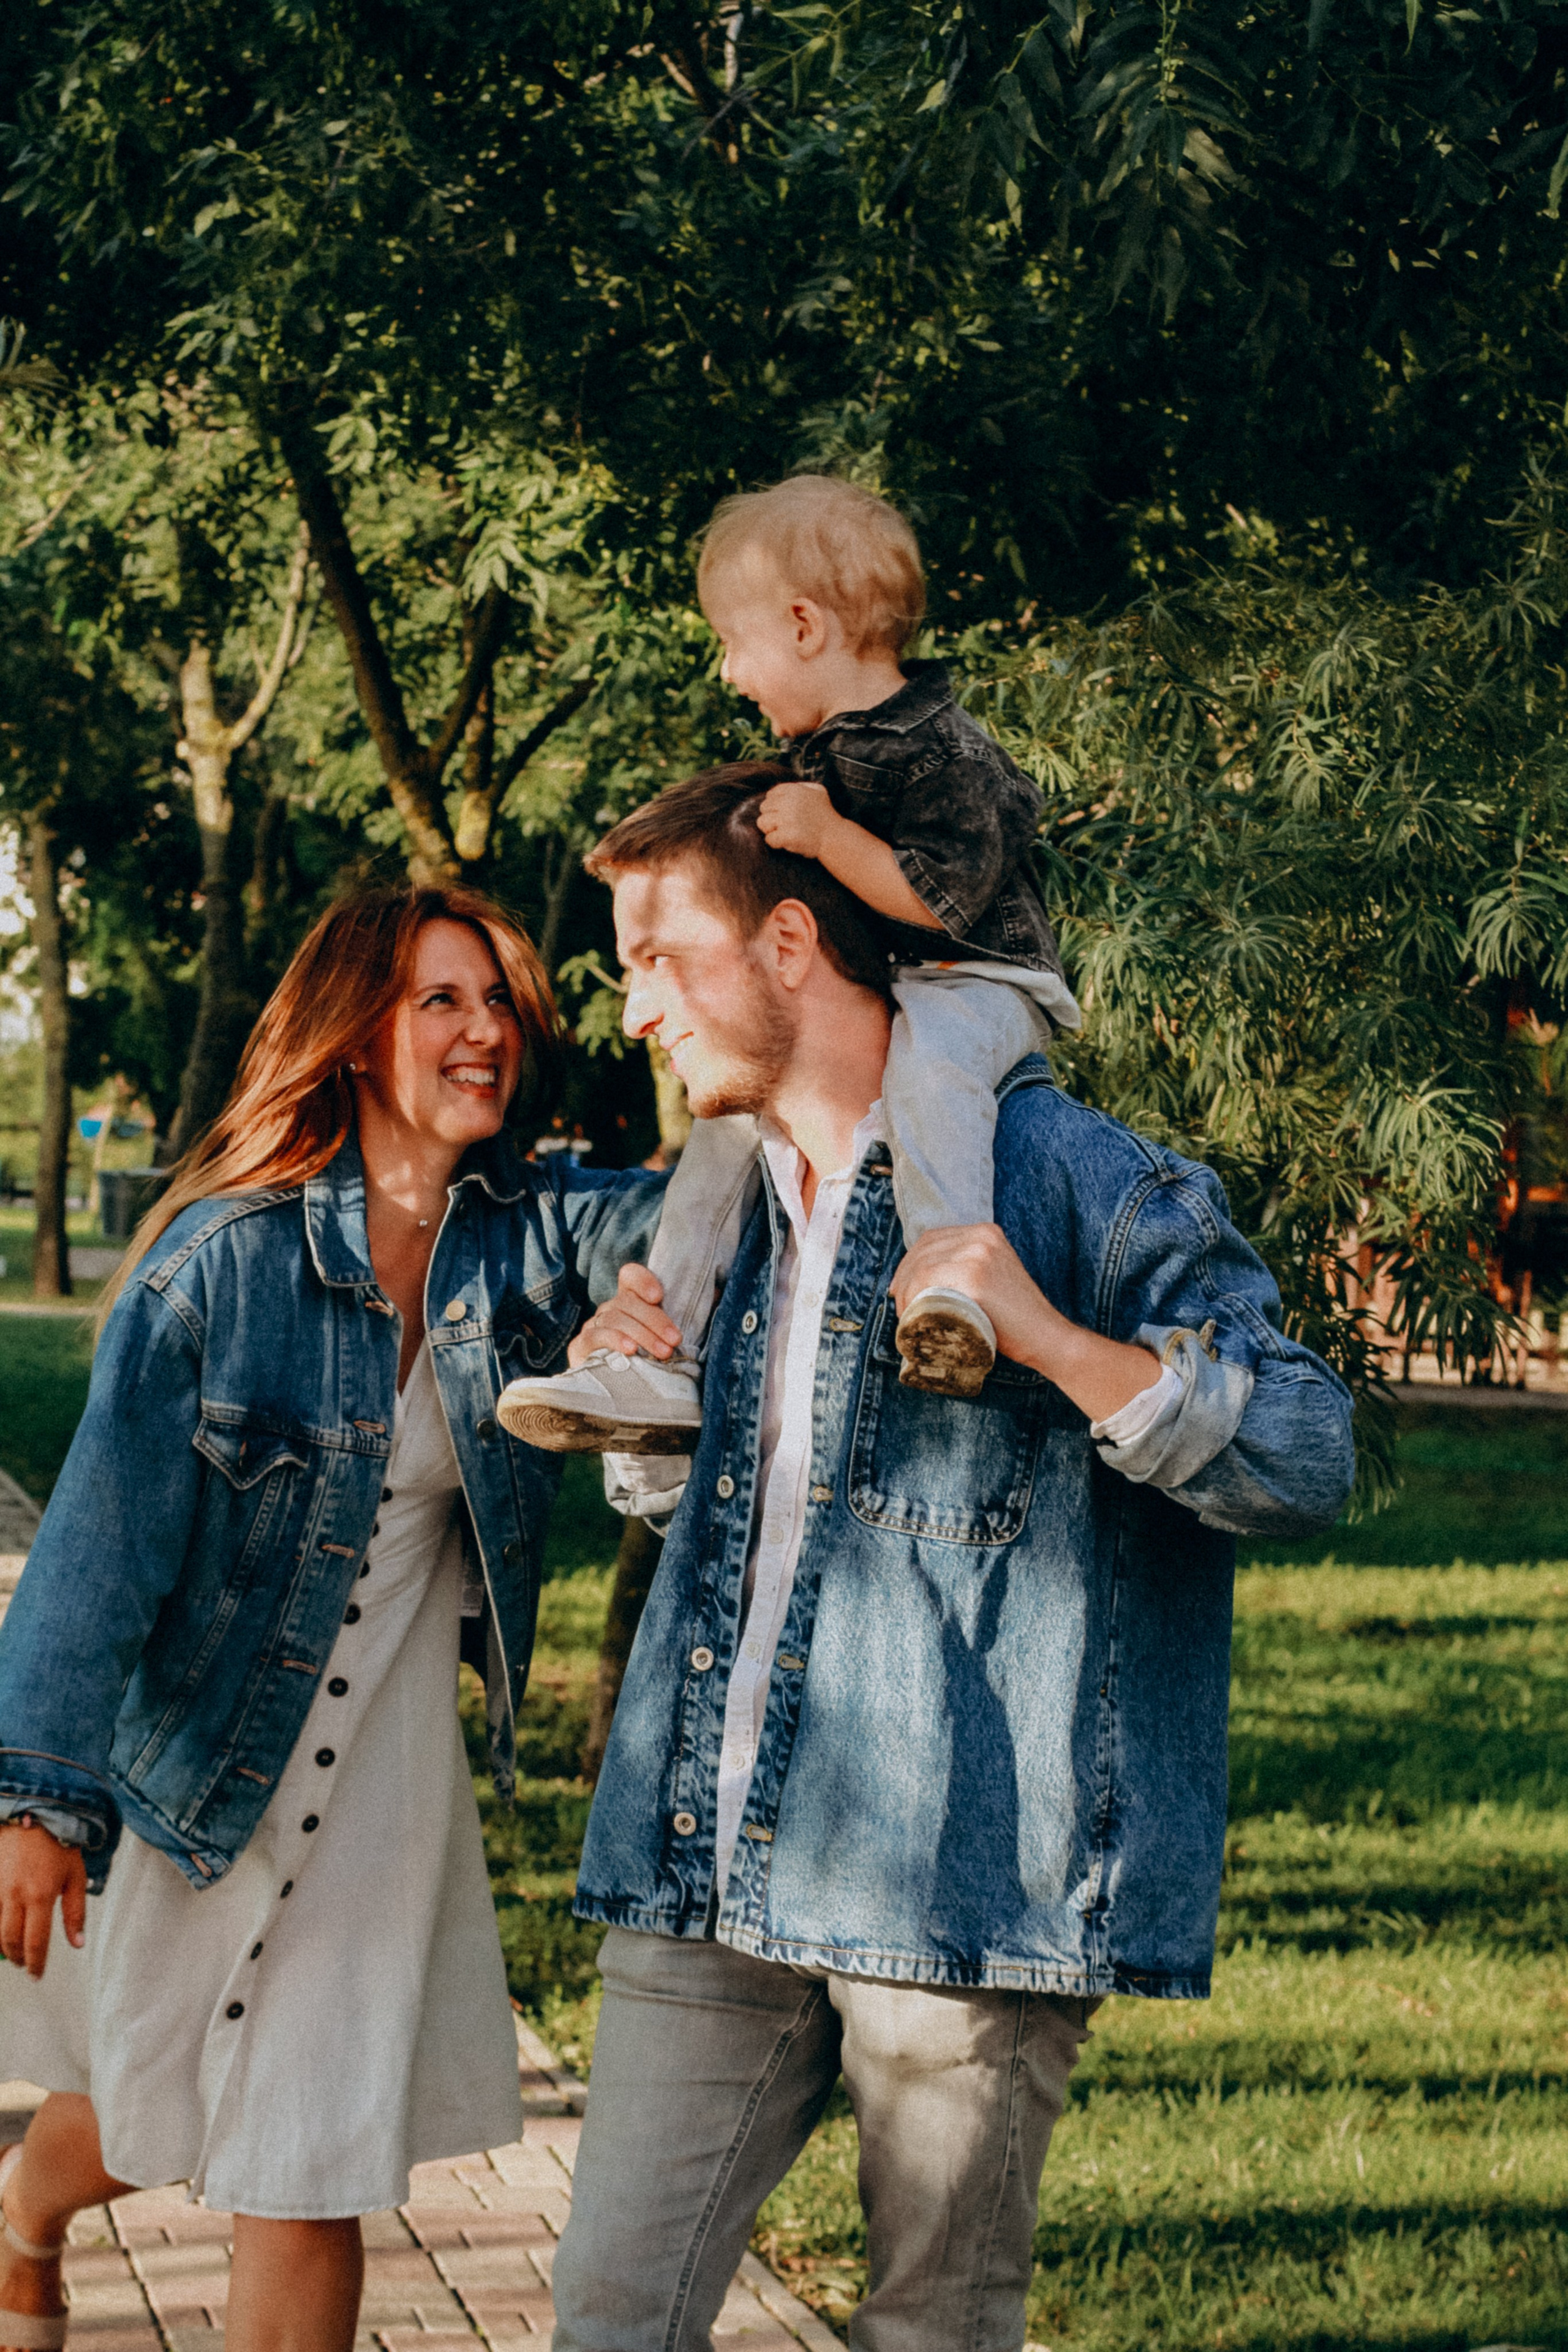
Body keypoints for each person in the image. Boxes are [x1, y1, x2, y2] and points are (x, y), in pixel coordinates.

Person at [538, 767, 1355, 2352]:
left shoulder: (1066, 1182)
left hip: (959, 1886)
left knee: (933, 2327)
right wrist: (648, 1406)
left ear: (790, 944)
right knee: (610, 2313)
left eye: (659, 959)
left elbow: (1307, 1453)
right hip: (704, 1860)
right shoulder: (728, 1213)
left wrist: (1051, 1341)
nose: (634, 1012)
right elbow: (763, 1519)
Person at [0, 886, 661, 2352]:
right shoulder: (219, 1269)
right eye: (442, 1000)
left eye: (496, 1002)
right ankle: (23, 2218)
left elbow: (697, 1209)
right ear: (359, 1033)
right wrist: (38, 1797)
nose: (484, 1029)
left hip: (382, 1788)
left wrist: (752, 1081)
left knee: (307, 2159)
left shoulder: (520, 1242)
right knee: (139, 2091)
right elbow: (98, 1555)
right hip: (199, 1752)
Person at [496, 475, 1080, 1464]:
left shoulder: (942, 749)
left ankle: (950, 1283)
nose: (728, 673)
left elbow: (945, 899)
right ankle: (662, 1353)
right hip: (908, 983)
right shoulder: (821, 757)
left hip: (984, 983)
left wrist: (829, 835)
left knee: (931, 1070)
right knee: (722, 1133)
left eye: (733, 642)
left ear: (805, 624)